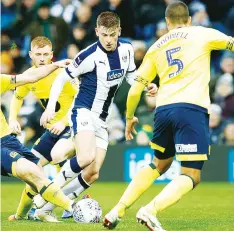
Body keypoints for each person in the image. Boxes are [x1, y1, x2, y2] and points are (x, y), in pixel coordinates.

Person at [103, 2, 234, 231]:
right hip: (191, 109)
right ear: (189, 19)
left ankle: (117, 210)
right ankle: (150, 210)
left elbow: (135, 89)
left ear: (167, 23)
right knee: (191, 174)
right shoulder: (201, 33)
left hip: (163, 111)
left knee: (158, 164)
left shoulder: (156, 46)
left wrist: (130, 117)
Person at [36, 11, 157, 219]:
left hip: (102, 119)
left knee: (92, 173)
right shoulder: (88, 55)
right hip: (82, 111)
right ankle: (45, 193)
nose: (109, 40)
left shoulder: (127, 49)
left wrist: (146, 85)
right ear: (97, 32)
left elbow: (130, 76)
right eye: (104, 35)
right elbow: (61, 79)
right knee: (85, 157)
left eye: (112, 34)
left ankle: (44, 209)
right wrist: (50, 108)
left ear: (119, 31)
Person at [8, 36, 77, 221]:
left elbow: (80, 99)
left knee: (58, 156)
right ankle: (22, 214)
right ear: (30, 54)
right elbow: (17, 96)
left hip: (72, 126)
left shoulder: (64, 73)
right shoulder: (30, 75)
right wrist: (13, 119)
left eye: (46, 54)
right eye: (38, 54)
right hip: (51, 130)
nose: (42, 58)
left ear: (52, 55)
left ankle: (57, 204)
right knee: (32, 169)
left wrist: (64, 122)